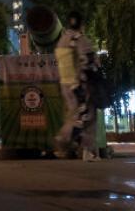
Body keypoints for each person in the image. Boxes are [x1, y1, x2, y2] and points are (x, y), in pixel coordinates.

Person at [55, 10, 100, 161]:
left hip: (66, 85)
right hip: (80, 84)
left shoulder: (61, 41)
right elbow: (88, 60)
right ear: (81, 23)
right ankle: (67, 139)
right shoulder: (79, 39)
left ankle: (79, 146)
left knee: (76, 115)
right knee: (88, 116)